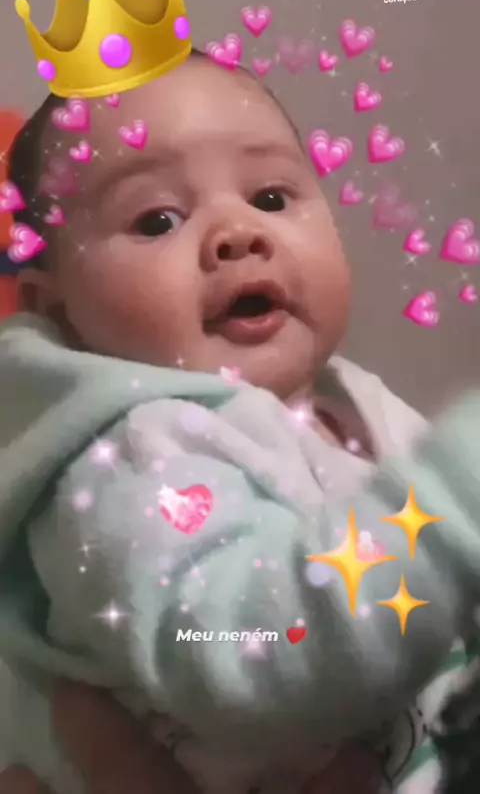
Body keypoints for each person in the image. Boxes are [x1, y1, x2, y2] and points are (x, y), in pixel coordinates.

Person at [0, 47, 479, 793]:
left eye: (271, 197)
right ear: (53, 306)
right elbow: (247, 645)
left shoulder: (357, 399)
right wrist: (455, 498)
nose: (237, 232)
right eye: (158, 218)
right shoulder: (129, 456)